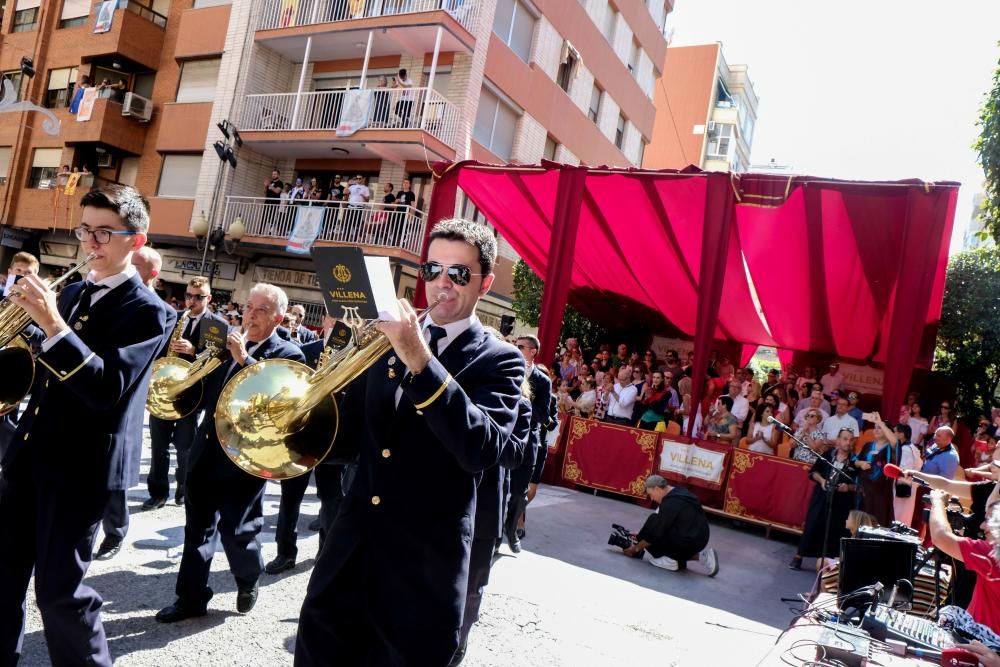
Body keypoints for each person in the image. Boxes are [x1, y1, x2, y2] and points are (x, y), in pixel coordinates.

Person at [295, 218, 526, 666]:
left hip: (424, 567)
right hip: (351, 547)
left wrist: (419, 358)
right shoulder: (383, 340)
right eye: (432, 270)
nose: (442, 283)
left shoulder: (500, 360)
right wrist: (302, 433)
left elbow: (482, 448)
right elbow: (359, 436)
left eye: (459, 274)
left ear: (485, 283)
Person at [0, 185, 172, 666]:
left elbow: (104, 389)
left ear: (134, 242)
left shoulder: (151, 312)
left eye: (103, 232)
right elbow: (39, 372)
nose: (89, 243)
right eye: (85, 230)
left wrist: (54, 325)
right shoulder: (73, 291)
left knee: (59, 592)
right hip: (30, 452)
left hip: (80, 468)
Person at [156, 283, 306, 623]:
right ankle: (190, 599)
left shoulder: (289, 353)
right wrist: (189, 361)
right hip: (207, 448)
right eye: (249, 306)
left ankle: (248, 577)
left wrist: (245, 360)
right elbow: (201, 391)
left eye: (261, 310)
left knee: (238, 529)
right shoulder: (224, 346)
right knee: (197, 529)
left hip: (247, 457)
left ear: (279, 317)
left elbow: (279, 404)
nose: (251, 314)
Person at [144, 276, 227, 510]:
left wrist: (194, 350)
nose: (191, 301)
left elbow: (218, 361)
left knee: (184, 448)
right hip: (164, 393)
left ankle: (183, 489)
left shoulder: (217, 325)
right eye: (188, 295)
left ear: (208, 298)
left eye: (198, 297)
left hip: (191, 397)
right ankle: (157, 493)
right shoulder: (174, 318)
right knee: (158, 447)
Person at [505, 334, 553, 554]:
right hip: (504, 435)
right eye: (515, 345)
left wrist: (523, 401)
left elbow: (544, 414)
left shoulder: (543, 381)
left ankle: (512, 528)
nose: (516, 348)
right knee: (495, 487)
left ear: (533, 352)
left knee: (519, 492)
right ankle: (495, 532)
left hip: (528, 439)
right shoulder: (506, 367)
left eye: (521, 346)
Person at [619, 475, 719, 576]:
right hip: (700, 537)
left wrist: (636, 548)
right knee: (653, 525)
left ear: (657, 489)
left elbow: (654, 533)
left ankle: (671, 560)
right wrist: (640, 535)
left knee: (652, 526)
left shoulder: (670, 503)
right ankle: (703, 557)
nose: (652, 499)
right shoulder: (679, 491)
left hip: (689, 540)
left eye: (651, 495)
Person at [789, 428, 859, 570]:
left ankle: (829, 565)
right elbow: (813, 472)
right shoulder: (827, 455)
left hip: (842, 502)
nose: (848, 442)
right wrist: (822, 481)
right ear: (838, 441)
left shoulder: (855, 461)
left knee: (837, 530)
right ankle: (799, 556)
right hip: (822, 496)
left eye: (851, 440)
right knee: (812, 524)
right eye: (845, 439)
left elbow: (860, 485)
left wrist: (848, 487)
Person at [854, 412, 898, 527]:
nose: (876, 430)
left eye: (880, 428)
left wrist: (879, 422)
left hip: (881, 491)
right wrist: (861, 463)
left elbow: (894, 441)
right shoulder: (868, 445)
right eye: (875, 428)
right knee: (861, 519)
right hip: (864, 489)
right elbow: (855, 460)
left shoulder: (890, 448)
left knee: (876, 521)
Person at [892, 423, 922, 526]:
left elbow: (903, 470)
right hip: (909, 486)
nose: (893, 434)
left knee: (900, 517)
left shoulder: (906, 450)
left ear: (901, 434)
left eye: (895, 432)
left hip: (904, 487)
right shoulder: (912, 447)